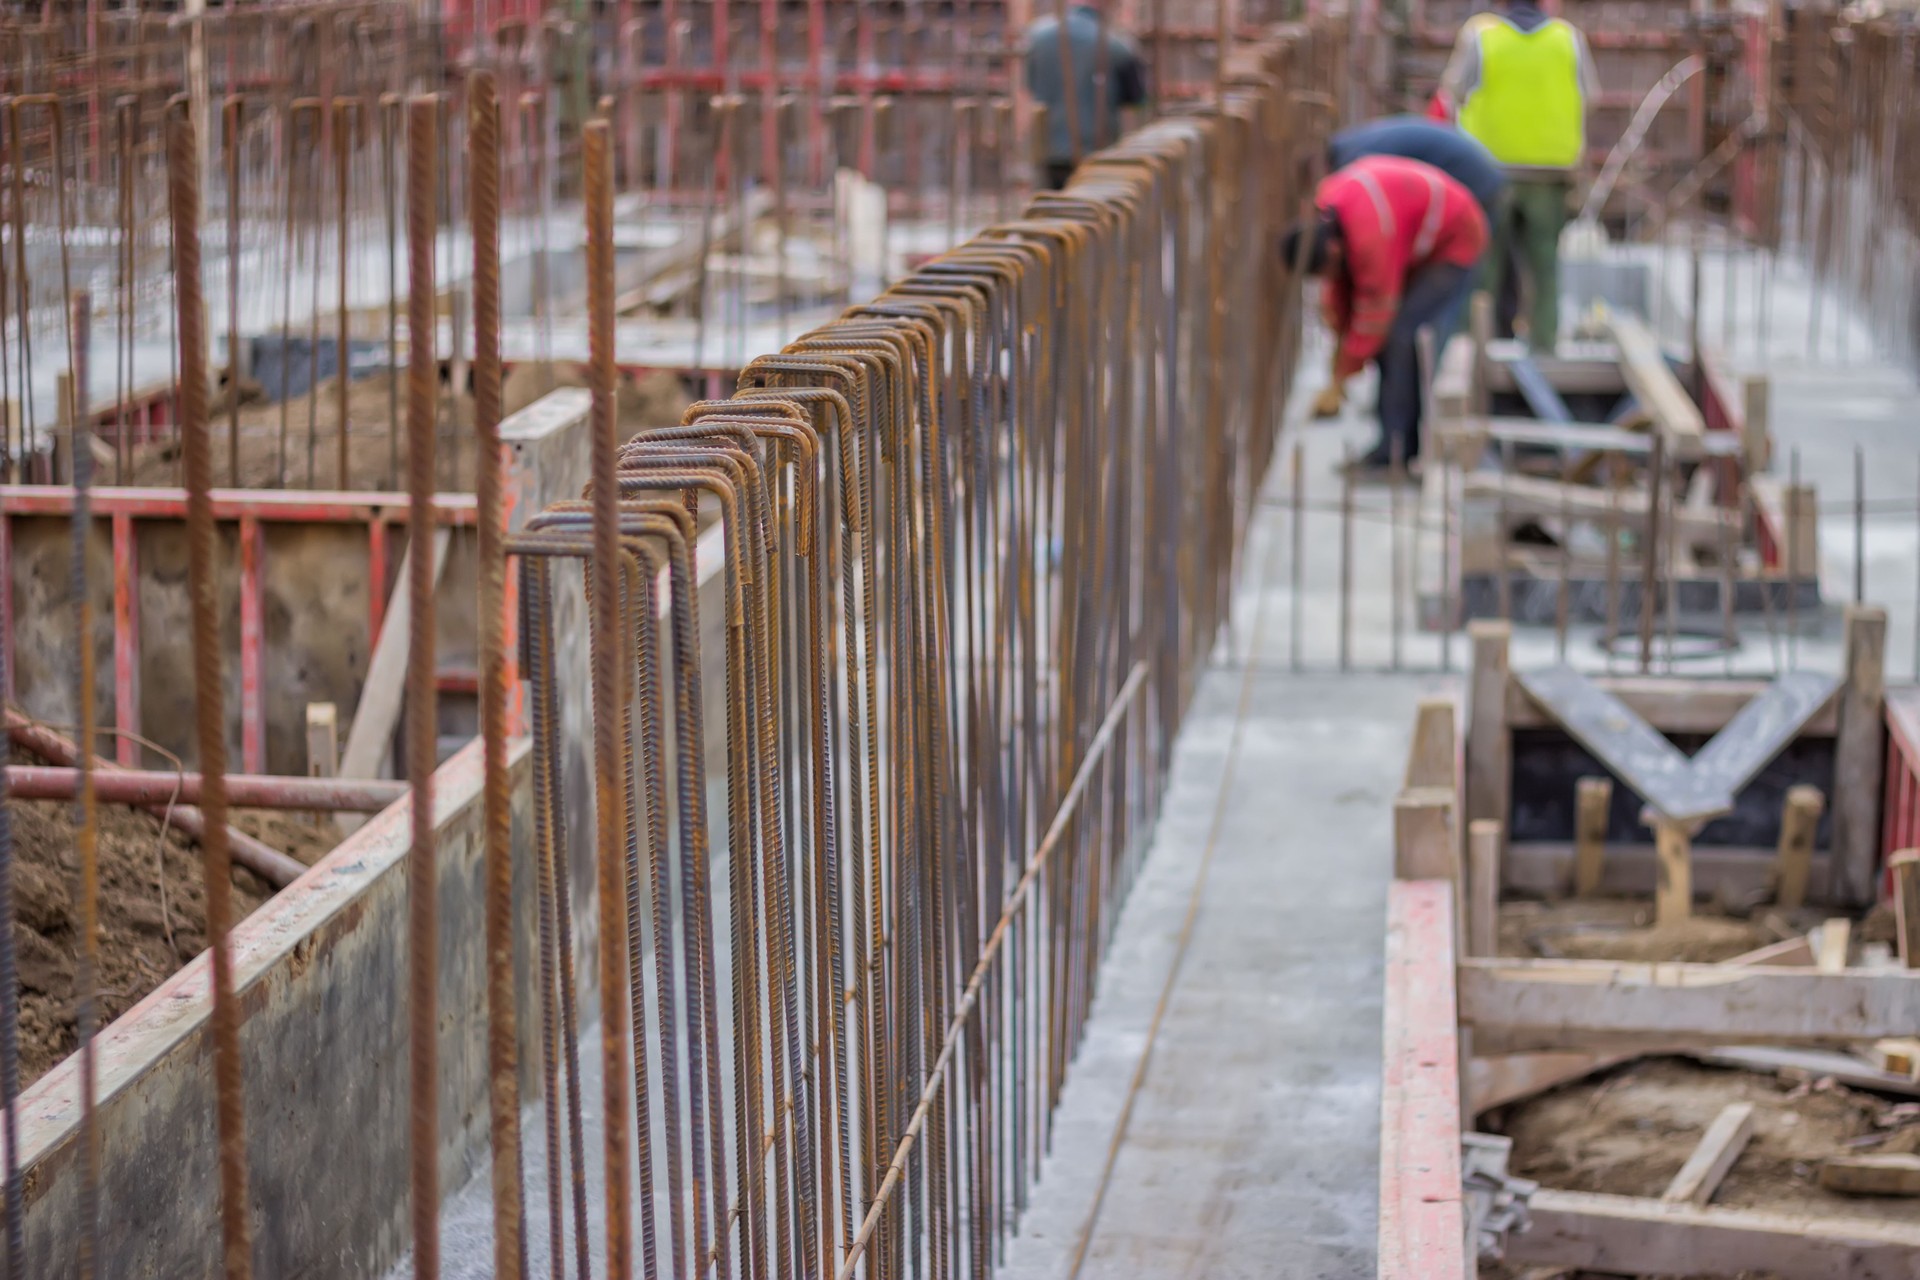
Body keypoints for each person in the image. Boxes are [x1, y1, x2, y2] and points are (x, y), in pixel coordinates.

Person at [1282, 155, 1488, 469]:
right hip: (1414, 231)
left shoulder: (1369, 233)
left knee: (1401, 337)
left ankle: (1397, 449)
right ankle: (1394, 437)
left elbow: (1376, 315)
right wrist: (1340, 349)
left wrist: (1341, 376)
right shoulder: (1331, 214)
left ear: (1333, 251)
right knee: (1387, 342)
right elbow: (1342, 291)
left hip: (1455, 235)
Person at [1315, 116, 1505, 417]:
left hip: (1466, 211)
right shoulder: (1343, 193)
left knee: (1411, 331)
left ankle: (1413, 416)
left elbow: (1377, 305)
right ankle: (1397, 417)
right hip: (1445, 204)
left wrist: (1342, 373)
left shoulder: (1364, 213)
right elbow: (1345, 285)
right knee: (1400, 331)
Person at [1439, 0, 1598, 353]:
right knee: (1545, 268)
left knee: (1483, 267)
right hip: (1551, 171)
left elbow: (1453, 92)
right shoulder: (1568, 38)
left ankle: (1471, 351)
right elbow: (1590, 97)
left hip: (1489, 171)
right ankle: (1544, 347)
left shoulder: (1481, 36)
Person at [1023, 4, 1148, 190]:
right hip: (1097, 149)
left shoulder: (1038, 37)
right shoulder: (1117, 44)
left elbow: (1030, 87)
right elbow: (1137, 99)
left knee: (1053, 206)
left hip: (1049, 147)